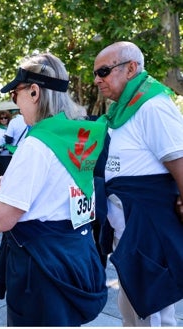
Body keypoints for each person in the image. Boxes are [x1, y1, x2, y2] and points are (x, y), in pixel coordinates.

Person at [0, 52, 108, 326]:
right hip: (76, 254)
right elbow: (57, 184)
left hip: (42, 267)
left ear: (34, 91)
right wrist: (2, 181)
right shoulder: (74, 134)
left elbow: (0, 219)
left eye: (16, 94)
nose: (16, 103)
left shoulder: (37, 144)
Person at [93, 41, 183, 326]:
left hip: (149, 234)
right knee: (131, 310)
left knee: (152, 313)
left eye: (104, 71)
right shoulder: (122, 111)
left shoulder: (153, 106)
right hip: (128, 234)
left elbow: (180, 159)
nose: (97, 80)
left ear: (131, 68)